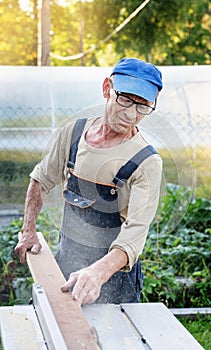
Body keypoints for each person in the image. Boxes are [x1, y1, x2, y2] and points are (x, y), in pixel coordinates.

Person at [15, 57, 163, 305]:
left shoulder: (146, 162)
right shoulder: (73, 133)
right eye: (125, 99)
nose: (131, 114)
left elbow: (134, 235)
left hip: (114, 276)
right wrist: (28, 229)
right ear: (107, 88)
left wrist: (97, 273)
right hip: (67, 260)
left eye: (142, 106)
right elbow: (41, 178)